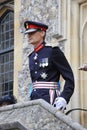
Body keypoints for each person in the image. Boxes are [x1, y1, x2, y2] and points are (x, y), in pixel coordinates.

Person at [24, 20, 75, 111]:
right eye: (28, 34)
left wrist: (64, 97)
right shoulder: (31, 56)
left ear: (42, 33)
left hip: (50, 99)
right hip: (34, 100)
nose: (29, 36)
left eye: (32, 33)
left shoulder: (53, 51)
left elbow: (69, 78)